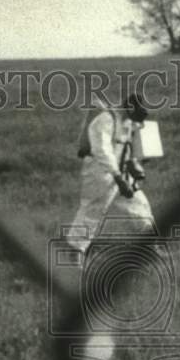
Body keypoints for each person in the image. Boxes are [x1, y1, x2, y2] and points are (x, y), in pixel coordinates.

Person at [68, 93, 155, 258]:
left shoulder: (128, 123)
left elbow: (127, 148)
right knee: (93, 210)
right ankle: (76, 253)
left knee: (140, 206)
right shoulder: (105, 120)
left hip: (121, 173)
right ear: (130, 107)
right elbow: (102, 151)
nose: (140, 117)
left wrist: (135, 163)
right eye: (139, 112)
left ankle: (152, 246)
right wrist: (118, 177)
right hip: (100, 172)